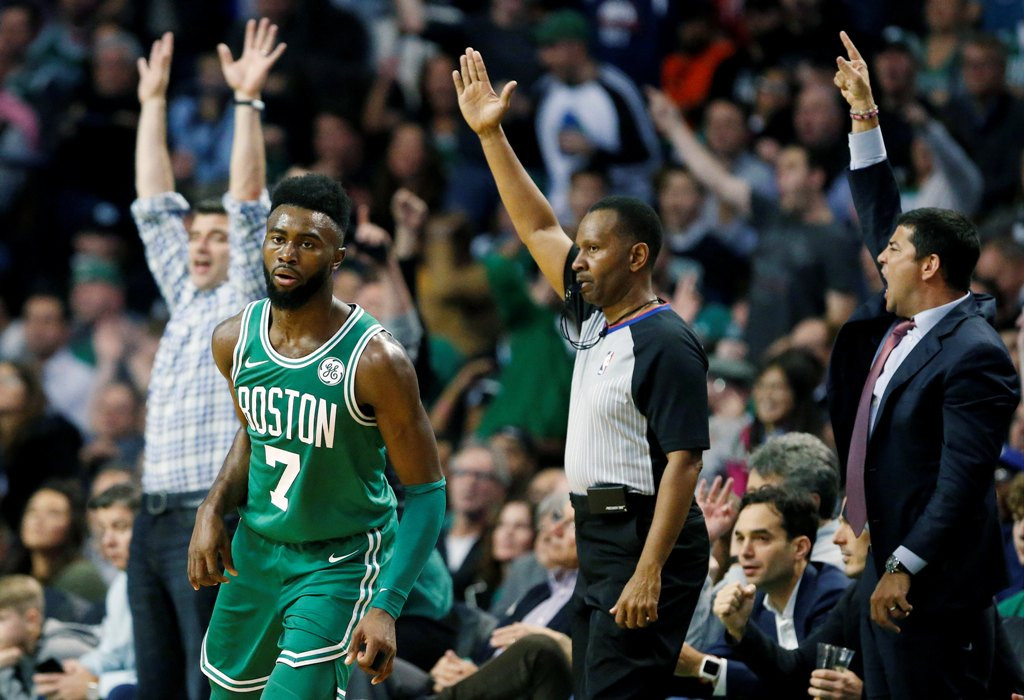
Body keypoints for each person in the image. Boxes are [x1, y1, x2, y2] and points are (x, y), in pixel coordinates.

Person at [454, 47, 710, 699]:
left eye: (595, 248)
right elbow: (538, 224)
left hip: (644, 535)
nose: (581, 259)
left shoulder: (667, 340)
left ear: (638, 256)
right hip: (597, 530)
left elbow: (684, 463)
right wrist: (491, 134)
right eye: (583, 247)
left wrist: (650, 569)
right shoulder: (596, 318)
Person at [187, 171, 446, 697]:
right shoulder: (233, 340)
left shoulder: (376, 360)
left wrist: (386, 605)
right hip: (255, 553)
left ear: (336, 259)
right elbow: (255, 436)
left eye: (308, 244)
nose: (287, 254)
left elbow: (426, 492)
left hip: (338, 560)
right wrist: (213, 507)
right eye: (278, 238)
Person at [830, 31, 1020, 698]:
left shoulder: (976, 357)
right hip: (884, 560)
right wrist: (864, 117)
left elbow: (962, 481)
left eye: (897, 251)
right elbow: (880, 215)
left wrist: (906, 565)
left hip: (928, 587)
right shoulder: (906, 314)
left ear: (930, 267)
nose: (882, 256)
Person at [127, 21, 282, 700]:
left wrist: (246, 101)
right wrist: (152, 103)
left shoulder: (244, 301)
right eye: (197, 235)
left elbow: (250, 202)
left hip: (209, 517)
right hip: (150, 516)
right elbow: (155, 206)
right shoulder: (185, 294)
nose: (199, 245)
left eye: (215, 238)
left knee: (207, 687)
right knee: (157, 682)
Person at [675, 486, 849, 696]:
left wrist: (703, 666)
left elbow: (800, 683)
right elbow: (712, 663)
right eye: (739, 538)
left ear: (800, 547)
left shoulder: (831, 594)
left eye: (761, 538)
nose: (745, 552)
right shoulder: (755, 599)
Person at [33, 483, 141, 699]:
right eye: (102, 531)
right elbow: (113, 654)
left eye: (120, 527)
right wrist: (80, 669)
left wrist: (94, 687)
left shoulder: (175, 587)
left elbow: (162, 678)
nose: (108, 542)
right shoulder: (122, 583)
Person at [0, 574, 98, 700]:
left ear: (31, 620)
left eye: (1, 618)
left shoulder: (55, 651)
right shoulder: (23, 651)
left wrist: (2, 670)